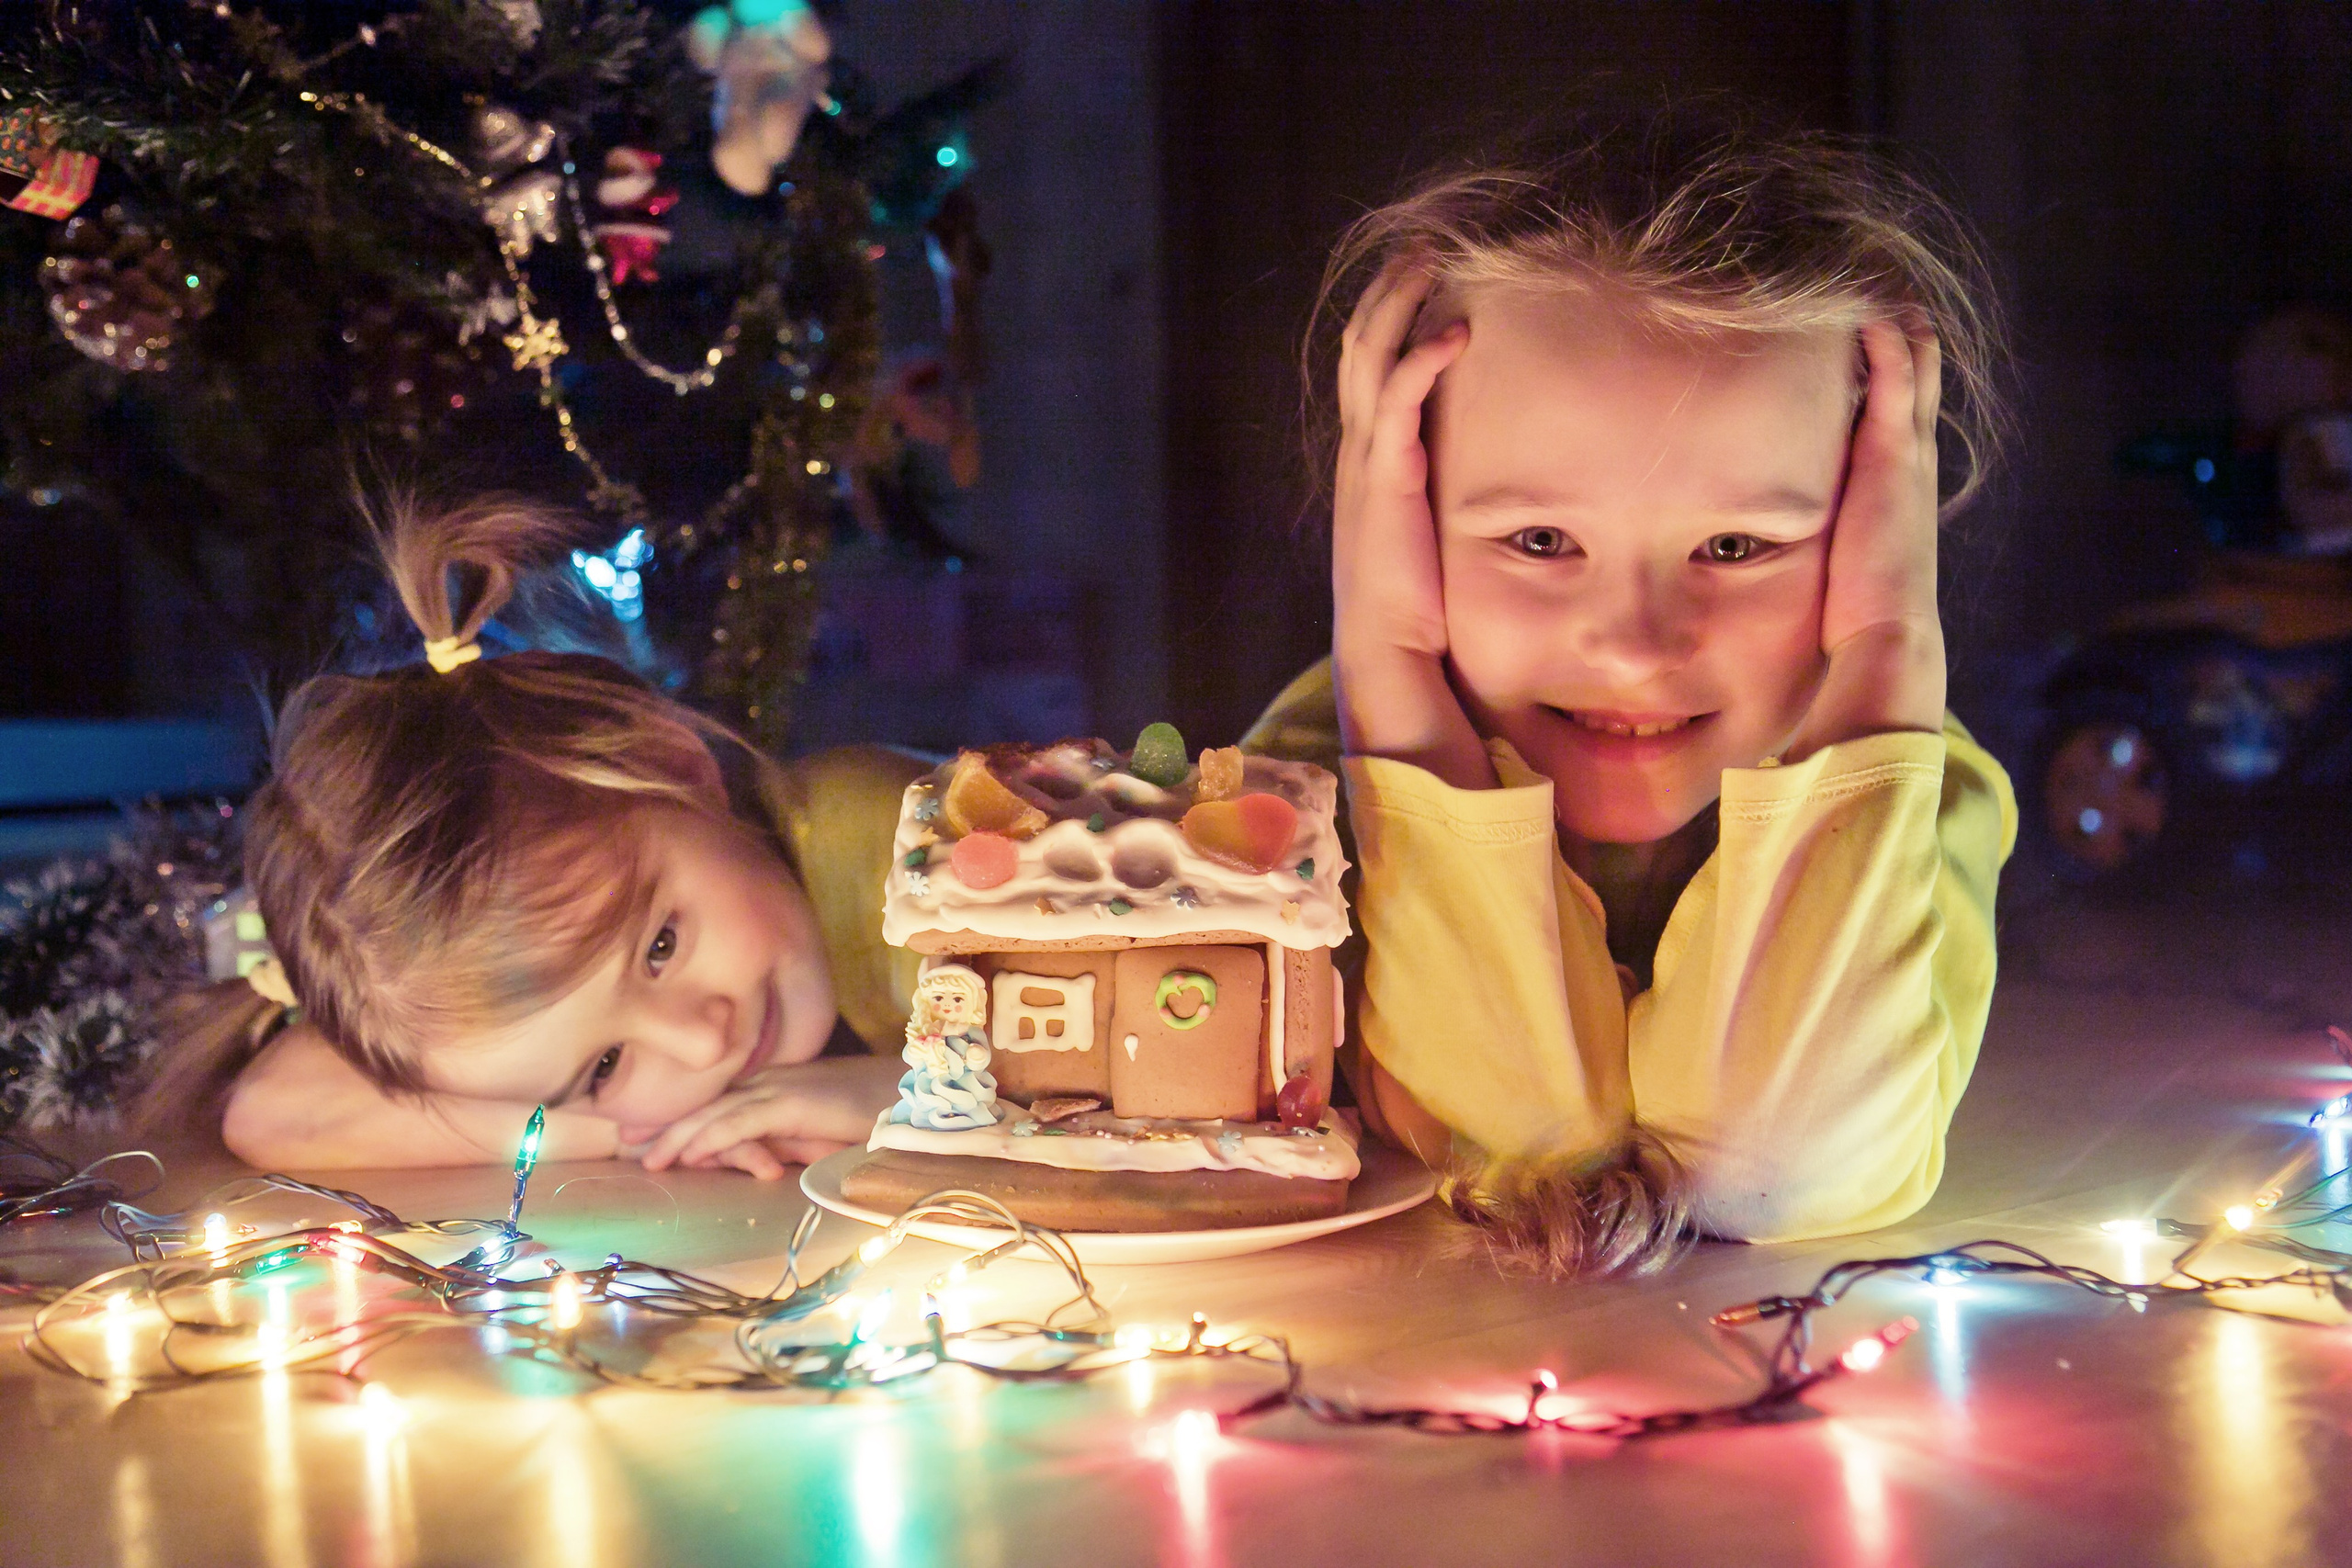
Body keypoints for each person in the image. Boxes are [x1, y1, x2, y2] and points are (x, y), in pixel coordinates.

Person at [1311, 114, 2018, 1274]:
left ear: (1865, 534)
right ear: (1401, 526)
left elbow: (1771, 1166)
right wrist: (1385, 660)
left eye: (1737, 546)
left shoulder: (1928, 787)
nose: (1636, 647)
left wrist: (1890, 644)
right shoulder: (1294, 804)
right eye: (1539, 538)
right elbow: (1522, 1156)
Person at [144, 496, 926, 1179]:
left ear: (670, 763)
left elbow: (1051, 1067)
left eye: (660, 945)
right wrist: (620, 1135)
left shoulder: (903, 843)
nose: (698, 1040)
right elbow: (273, 1109)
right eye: (605, 1066)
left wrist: (904, 1100)